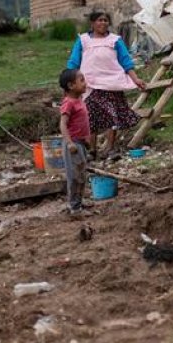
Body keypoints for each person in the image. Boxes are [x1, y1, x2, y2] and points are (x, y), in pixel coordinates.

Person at [67, 11, 147, 158]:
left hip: (112, 83)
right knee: (89, 116)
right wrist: (70, 82)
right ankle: (92, 150)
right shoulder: (83, 40)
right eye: (100, 20)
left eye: (106, 20)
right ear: (92, 23)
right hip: (90, 84)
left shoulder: (115, 40)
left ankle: (110, 148)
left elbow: (126, 62)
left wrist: (136, 79)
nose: (103, 23)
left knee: (112, 115)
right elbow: (73, 62)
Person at [59, 69, 92, 215]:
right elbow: (63, 124)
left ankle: (78, 203)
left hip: (81, 144)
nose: (85, 83)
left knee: (81, 175)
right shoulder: (69, 103)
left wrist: (87, 140)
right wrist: (69, 143)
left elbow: (83, 123)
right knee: (75, 177)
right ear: (71, 85)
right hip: (73, 145)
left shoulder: (79, 101)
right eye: (82, 80)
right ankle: (75, 208)